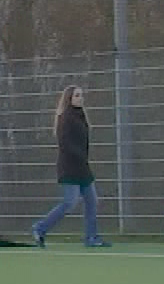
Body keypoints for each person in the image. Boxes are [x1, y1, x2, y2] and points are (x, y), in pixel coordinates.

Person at [31, 85, 109, 248]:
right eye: (77, 95)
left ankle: (91, 237)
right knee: (69, 203)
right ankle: (40, 228)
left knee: (92, 201)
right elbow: (65, 143)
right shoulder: (65, 118)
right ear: (69, 99)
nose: (80, 98)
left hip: (83, 168)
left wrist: (84, 159)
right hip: (70, 168)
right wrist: (80, 157)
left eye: (81, 95)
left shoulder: (81, 116)